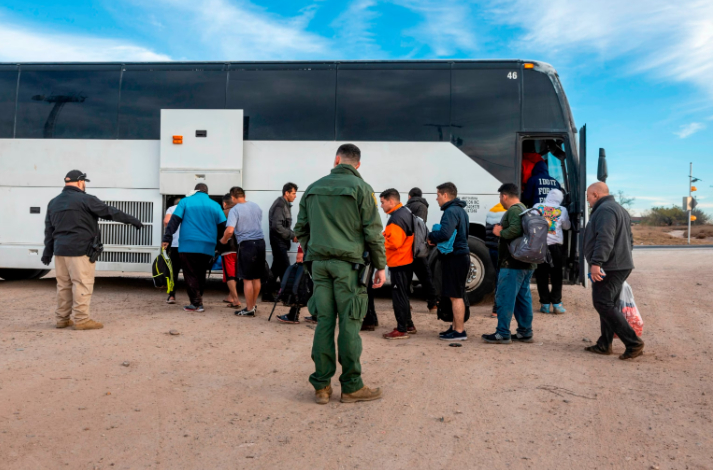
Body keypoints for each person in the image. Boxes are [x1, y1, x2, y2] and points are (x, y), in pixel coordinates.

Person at [294, 143, 386, 405]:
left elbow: (301, 228)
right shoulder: (362, 188)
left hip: (319, 265)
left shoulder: (312, 188)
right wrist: (380, 265)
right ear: (357, 165)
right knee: (349, 324)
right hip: (349, 268)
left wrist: (313, 251)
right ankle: (351, 387)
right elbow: (372, 232)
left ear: (336, 160)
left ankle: (322, 387)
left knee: (324, 322)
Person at [43, 170, 143, 330]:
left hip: (60, 250)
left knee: (64, 286)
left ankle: (62, 319)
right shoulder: (86, 199)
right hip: (80, 250)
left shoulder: (53, 202)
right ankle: (82, 320)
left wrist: (47, 252)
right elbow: (110, 212)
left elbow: (49, 230)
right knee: (82, 283)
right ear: (80, 181)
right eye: (84, 182)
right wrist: (132, 220)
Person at [584, 182, 644, 360]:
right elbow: (629, 239)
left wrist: (597, 263)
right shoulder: (619, 209)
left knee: (602, 303)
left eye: (588, 196)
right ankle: (604, 344)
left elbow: (605, 238)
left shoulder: (605, 210)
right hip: (618, 264)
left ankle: (633, 343)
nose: (588, 200)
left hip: (610, 266)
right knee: (607, 303)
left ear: (595, 194)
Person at [482, 183, 536, 344]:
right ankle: (525, 332)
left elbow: (515, 230)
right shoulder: (524, 208)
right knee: (522, 297)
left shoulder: (513, 210)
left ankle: (502, 333)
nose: (501, 200)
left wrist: (500, 232)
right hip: (526, 263)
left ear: (504, 196)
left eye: (500, 197)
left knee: (505, 296)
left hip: (512, 263)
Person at [162, 183, 226, 313]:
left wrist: (167, 238)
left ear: (195, 191)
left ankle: (196, 304)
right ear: (206, 192)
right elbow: (223, 225)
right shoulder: (215, 205)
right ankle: (198, 299)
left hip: (188, 245)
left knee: (190, 274)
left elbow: (174, 221)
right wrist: (219, 244)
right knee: (201, 273)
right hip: (208, 246)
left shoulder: (185, 202)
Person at [427, 182, 470, 342]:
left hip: (455, 257)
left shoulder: (450, 211)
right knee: (455, 294)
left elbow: (445, 233)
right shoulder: (460, 210)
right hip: (461, 256)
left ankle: (459, 331)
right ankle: (454, 328)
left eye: (438, 195)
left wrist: (431, 236)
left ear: (445, 195)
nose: (436, 199)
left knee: (455, 296)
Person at [220, 186, 265, 317]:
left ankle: (249, 308)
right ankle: (253, 305)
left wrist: (223, 240)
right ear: (244, 195)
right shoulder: (256, 206)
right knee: (256, 278)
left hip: (247, 245)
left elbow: (229, 230)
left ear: (233, 197)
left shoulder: (235, 210)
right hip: (260, 243)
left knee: (247, 279)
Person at [379, 189, 416, 340]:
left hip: (398, 262)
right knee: (403, 295)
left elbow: (394, 242)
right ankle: (408, 325)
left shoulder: (395, 218)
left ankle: (401, 329)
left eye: (382, 202)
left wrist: (380, 241)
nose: (381, 206)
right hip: (406, 260)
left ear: (391, 201)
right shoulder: (405, 212)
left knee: (398, 297)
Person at [533, 189, 571, 314]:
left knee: (541, 275)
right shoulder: (562, 210)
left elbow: (530, 222)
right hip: (555, 247)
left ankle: (544, 304)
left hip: (540, 246)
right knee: (556, 275)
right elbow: (567, 226)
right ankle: (556, 303)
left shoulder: (538, 206)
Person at [265, 182, 299, 302]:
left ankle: (267, 293)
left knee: (276, 268)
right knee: (285, 269)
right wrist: (292, 235)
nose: (295, 196)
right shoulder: (280, 205)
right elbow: (277, 227)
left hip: (280, 242)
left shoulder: (284, 204)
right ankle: (287, 296)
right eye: (294, 193)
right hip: (278, 242)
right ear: (287, 193)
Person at [405, 187, 437, 313]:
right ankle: (432, 304)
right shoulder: (422, 207)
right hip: (417, 247)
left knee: (406, 277)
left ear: (409, 196)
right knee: (425, 276)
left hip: (407, 246)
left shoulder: (406, 208)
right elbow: (420, 227)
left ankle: (405, 303)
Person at [219, 193, 242, 309]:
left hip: (228, 249)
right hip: (241, 248)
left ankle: (235, 300)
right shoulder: (241, 212)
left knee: (230, 275)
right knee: (235, 273)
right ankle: (230, 296)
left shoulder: (223, 214)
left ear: (224, 203)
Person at [485, 202, 506, 318]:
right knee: (502, 277)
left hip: (491, 249)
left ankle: (496, 308)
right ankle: (497, 308)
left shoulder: (491, 211)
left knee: (498, 275)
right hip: (501, 250)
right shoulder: (507, 213)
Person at [163, 197, 182, 304]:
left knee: (173, 271)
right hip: (188, 244)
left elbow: (166, 221)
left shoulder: (172, 209)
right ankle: (194, 298)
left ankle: (172, 295)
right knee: (191, 271)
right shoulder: (189, 209)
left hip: (175, 244)